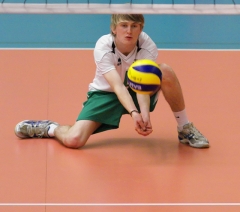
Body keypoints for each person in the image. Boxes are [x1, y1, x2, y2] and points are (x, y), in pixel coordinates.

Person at [14, 14, 209, 149]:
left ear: (141, 28)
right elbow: (116, 85)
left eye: (134, 26)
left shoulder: (146, 44)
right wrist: (134, 113)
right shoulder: (103, 46)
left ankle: (184, 128)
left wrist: (144, 114)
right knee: (74, 140)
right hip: (106, 93)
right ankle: (49, 128)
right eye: (124, 25)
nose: (129, 31)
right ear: (113, 28)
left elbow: (141, 85)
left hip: (135, 89)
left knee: (164, 71)